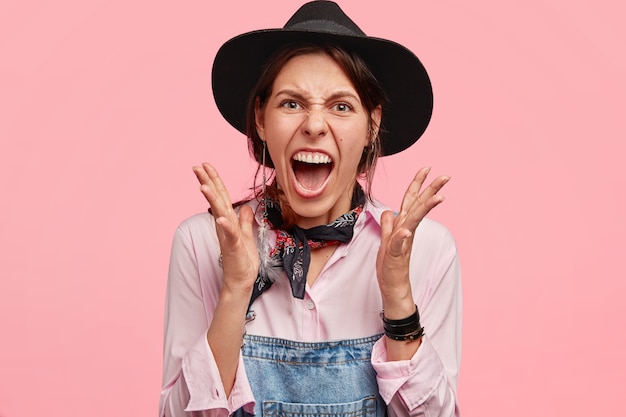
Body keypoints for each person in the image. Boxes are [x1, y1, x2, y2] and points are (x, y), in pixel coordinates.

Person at [159, 1, 461, 416]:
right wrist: (234, 292)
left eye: (340, 106)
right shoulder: (199, 243)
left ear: (372, 125)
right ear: (261, 119)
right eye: (291, 103)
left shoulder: (426, 248)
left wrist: (397, 297)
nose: (315, 125)